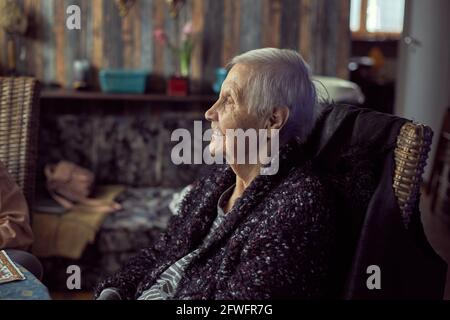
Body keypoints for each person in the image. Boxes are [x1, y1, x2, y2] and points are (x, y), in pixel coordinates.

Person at [95, 48, 336, 300]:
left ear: (273, 119)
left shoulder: (298, 204)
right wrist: (115, 291)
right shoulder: (218, 181)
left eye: (229, 100)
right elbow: (162, 252)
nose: (210, 113)